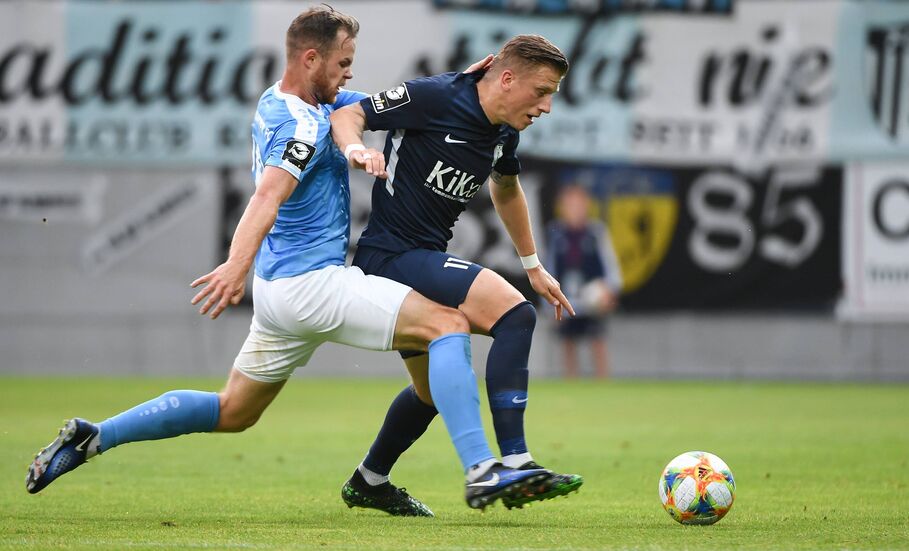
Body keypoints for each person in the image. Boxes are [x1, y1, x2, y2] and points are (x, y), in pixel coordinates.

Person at [24, 5, 553, 514]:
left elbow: (400, 106)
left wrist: (467, 84)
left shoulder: (286, 100)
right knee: (447, 324)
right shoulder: (301, 126)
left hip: (280, 292)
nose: (350, 73)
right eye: (343, 63)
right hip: (312, 283)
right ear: (310, 59)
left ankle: (96, 436)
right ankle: (484, 468)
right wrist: (235, 264)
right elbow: (267, 197)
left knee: (233, 411)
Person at [330, 34, 583, 513]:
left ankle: (369, 479)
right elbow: (349, 115)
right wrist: (354, 150)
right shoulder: (437, 96)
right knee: (515, 315)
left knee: (429, 392)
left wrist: (533, 265)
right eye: (542, 91)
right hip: (391, 256)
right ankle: (514, 460)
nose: (547, 106)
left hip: (419, 260)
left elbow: (506, 188)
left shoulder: (506, 126)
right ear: (506, 79)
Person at [545, 184, 621, 378]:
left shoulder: (596, 232)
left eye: (578, 204)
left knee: (597, 340)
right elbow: (548, 270)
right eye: (570, 205)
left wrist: (609, 291)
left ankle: (603, 382)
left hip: (593, 298)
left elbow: (611, 267)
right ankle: (572, 384)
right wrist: (550, 301)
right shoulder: (556, 234)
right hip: (568, 299)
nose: (574, 209)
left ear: (587, 206)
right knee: (568, 342)